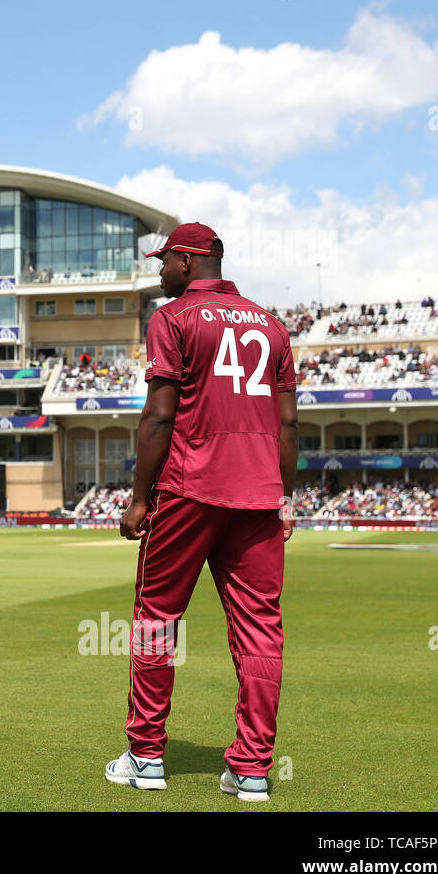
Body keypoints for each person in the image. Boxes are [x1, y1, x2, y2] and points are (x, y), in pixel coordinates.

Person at [108, 223, 297, 804]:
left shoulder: (172, 319)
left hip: (188, 490)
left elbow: (159, 416)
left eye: (164, 261)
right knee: (261, 631)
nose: (159, 271)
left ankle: (145, 756)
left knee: (157, 623)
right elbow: (289, 424)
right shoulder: (271, 323)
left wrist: (140, 496)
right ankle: (252, 770)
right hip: (259, 494)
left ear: (190, 261)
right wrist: (284, 496)